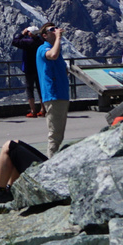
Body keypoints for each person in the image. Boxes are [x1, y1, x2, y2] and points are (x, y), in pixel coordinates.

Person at [0, 138, 49, 204]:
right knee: (16, 142)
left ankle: (0, 191)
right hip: (51, 166)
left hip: (48, 174)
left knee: (9, 146)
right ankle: (11, 190)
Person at [37, 23, 71, 157]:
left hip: (61, 94)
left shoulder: (56, 49)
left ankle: (53, 161)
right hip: (53, 95)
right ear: (44, 36)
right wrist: (58, 38)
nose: (56, 31)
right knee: (55, 135)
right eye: (52, 30)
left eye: (56, 28)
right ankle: (49, 165)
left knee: (59, 134)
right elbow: (53, 55)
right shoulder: (43, 48)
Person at [13, 26, 44, 117]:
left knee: (30, 89)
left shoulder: (27, 42)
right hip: (39, 68)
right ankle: (43, 109)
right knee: (40, 89)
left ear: (30, 33)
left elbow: (15, 42)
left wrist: (22, 34)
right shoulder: (41, 41)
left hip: (29, 68)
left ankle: (33, 110)